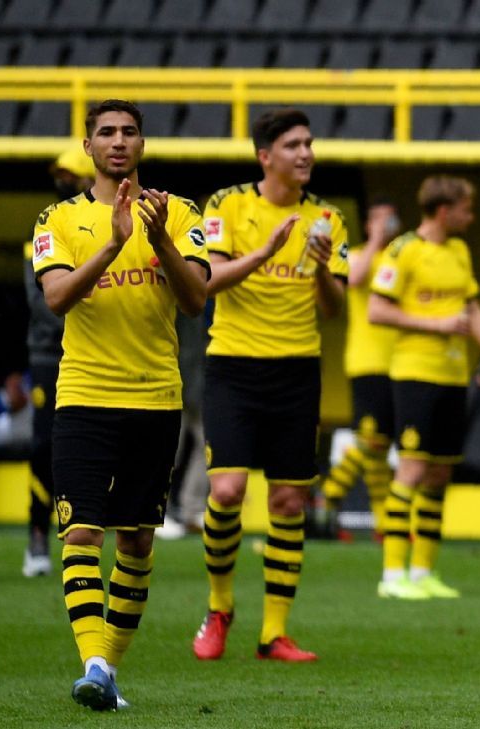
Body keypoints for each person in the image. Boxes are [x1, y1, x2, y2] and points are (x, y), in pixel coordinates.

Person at [33, 99, 209, 710]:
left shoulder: (178, 213)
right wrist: (112, 246)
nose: (117, 141)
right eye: (105, 132)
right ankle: (93, 663)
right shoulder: (58, 218)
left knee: (135, 542)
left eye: (128, 132)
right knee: (81, 530)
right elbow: (56, 297)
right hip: (84, 396)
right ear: (88, 147)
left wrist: (157, 239)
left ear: (141, 144)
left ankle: (107, 670)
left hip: (155, 398)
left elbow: (195, 300)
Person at [192, 108, 349, 663]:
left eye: (309, 143)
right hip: (234, 367)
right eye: (293, 145)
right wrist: (264, 254)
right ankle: (219, 607)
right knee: (226, 491)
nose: (305, 153)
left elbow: (333, 308)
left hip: (296, 370)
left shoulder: (328, 217)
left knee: (288, 500)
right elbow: (207, 281)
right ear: (265, 156)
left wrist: (322, 269)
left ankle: (274, 633)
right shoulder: (227, 204)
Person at [368, 175, 480, 600]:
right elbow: (377, 310)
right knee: (412, 469)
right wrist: (437, 324)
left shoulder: (459, 251)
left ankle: (422, 571)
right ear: (445, 211)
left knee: (439, 473)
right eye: (466, 209)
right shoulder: (403, 250)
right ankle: (392, 574)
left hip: (453, 375)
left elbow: (471, 308)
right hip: (415, 373)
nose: (471, 217)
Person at [22, 148, 95, 577]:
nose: (62, 182)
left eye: (70, 175)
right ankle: (37, 534)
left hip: (97, 355)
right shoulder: (43, 234)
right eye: (60, 176)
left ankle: (90, 531)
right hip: (51, 355)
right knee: (42, 445)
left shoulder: (105, 236)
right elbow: (45, 304)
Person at [316, 199, 401, 540]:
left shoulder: (402, 256)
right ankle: (328, 497)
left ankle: (383, 523)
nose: (385, 223)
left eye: (390, 218)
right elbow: (355, 279)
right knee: (371, 440)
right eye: (378, 219)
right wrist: (376, 240)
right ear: (367, 224)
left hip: (400, 362)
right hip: (367, 361)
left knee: (380, 444)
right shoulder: (357, 255)